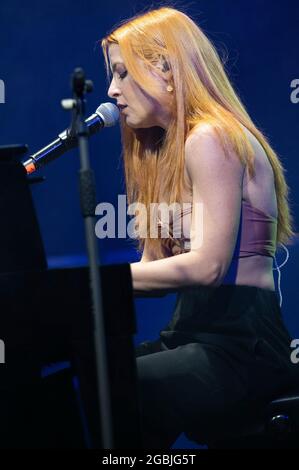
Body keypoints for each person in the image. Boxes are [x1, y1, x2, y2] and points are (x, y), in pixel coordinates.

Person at [101, 6, 299, 448]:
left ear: (167, 69)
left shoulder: (210, 136)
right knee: (91, 380)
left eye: (123, 73)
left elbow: (208, 267)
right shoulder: (159, 153)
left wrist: (92, 282)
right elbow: (153, 270)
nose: (113, 90)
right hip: (190, 334)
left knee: (121, 389)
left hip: (241, 345)